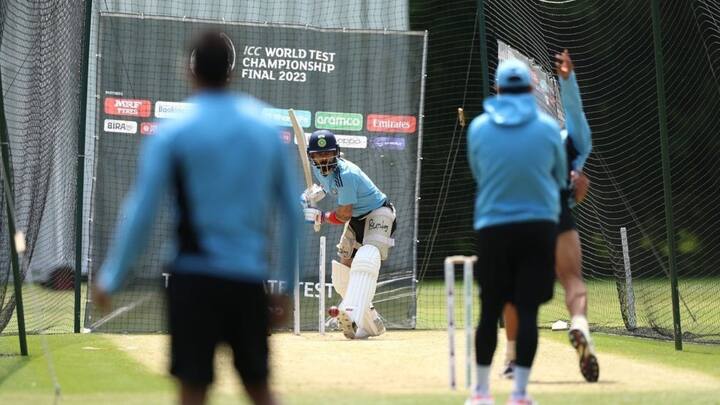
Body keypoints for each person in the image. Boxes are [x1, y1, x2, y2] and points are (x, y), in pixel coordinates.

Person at [92, 31, 301, 405]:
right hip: (247, 281)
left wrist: (111, 276)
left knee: (192, 391)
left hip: (193, 280)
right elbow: (292, 213)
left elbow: (141, 210)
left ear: (190, 70)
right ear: (231, 71)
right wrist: (286, 286)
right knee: (259, 389)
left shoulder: (174, 134)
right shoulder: (265, 131)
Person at [465, 59, 567, 405]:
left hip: (494, 227)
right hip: (539, 228)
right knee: (527, 312)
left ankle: (480, 393)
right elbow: (558, 176)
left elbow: (480, 173)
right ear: (530, 90)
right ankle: (520, 394)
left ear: (497, 90)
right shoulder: (548, 128)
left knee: (489, 310)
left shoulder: (478, 127)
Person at [501, 50, 598, 384]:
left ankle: (513, 359)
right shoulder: (572, 144)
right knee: (572, 278)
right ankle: (580, 324)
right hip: (556, 212)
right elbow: (575, 114)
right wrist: (567, 80)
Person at [301, 130, 395, 340]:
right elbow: (329, 187)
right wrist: (314, 194)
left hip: (379, 212)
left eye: (328, 154)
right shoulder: (319, 171)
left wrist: (321, 217)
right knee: (343, 276)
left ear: (337, 153)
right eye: (318, 155)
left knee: (366, 257)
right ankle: (371, 323)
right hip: (357, 219)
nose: (323, 159)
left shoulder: (347, 174)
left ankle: (351, 312)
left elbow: (344, 214)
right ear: (312, 156)